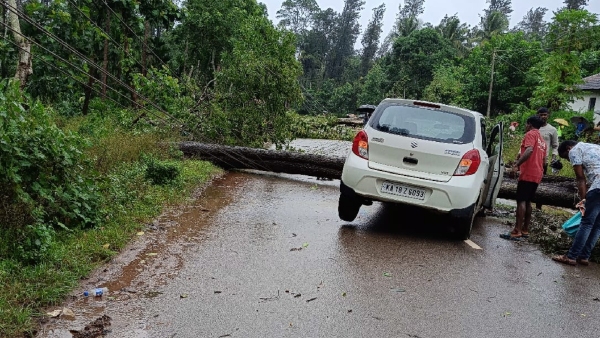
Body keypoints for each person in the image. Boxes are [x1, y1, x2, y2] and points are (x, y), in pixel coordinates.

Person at [552, 140, 600, 266]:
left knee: (587, 223)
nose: (569, 161)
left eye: (566, 158)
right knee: (597, 225)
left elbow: (580, 178)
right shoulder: (594, 147)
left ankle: (571, 256)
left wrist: (583, 199)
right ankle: (584, 256)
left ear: (568, 149)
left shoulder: (574, 150)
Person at [500, 116, 547, 241]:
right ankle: (525, 229)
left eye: (526, 124)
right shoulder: (542, 140)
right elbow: (545, 161)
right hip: (537, 173)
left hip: (528, 172)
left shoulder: (530, 134)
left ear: (530, 124)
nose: (525, 126)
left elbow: (529, 150)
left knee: (521, 200)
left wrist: (516, 165)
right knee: (528, 201)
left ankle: (517, 230)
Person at [535, 107, 559, 209]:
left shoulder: (552, 129)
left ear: (548, 115)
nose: (543, 116)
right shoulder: (534, 127)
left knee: (541, 183)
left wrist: (553, 158)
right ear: (538, 115)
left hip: (543, 160)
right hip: (531, 159)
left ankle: (538, 206)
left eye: (545, 114)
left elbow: (555, 145)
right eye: (541, 114)